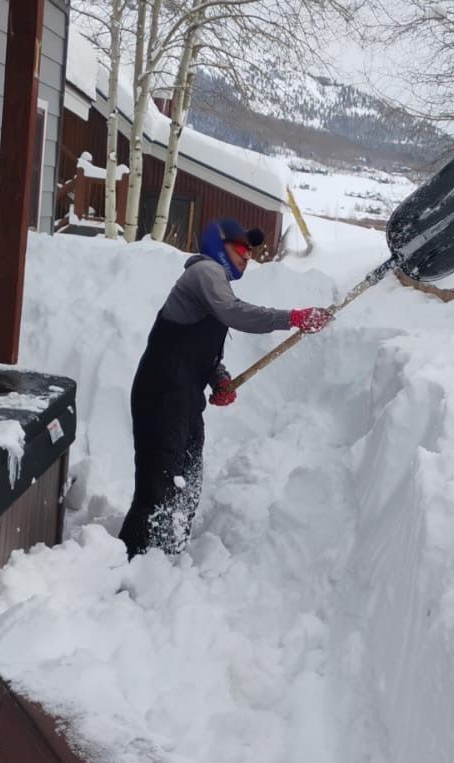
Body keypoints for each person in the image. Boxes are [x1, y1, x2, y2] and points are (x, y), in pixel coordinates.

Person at [119, 218, 333, 558]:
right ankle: (131, 558)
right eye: (241, 247)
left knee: (187, 480)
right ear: (218, 245)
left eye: (250, 250)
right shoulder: (204, 273)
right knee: (158, 484)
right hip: (161, 391)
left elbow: (208, 354)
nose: (248, 254)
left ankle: (167, 555)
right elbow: (235, 313)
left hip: (185, 398)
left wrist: (218, 379)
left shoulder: (217, 288)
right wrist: (292, 317)